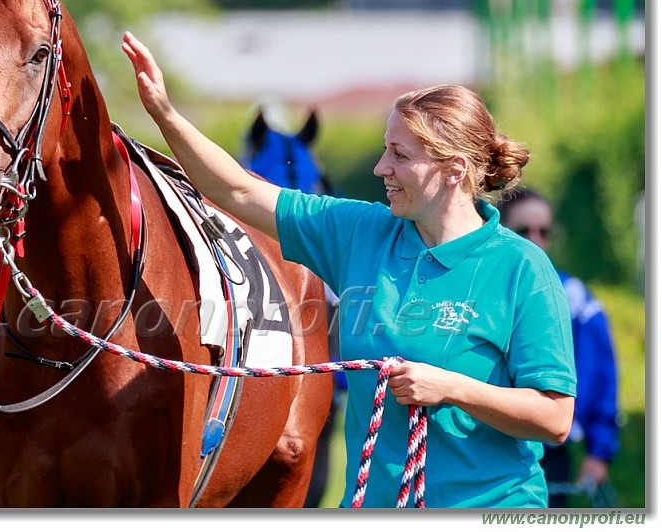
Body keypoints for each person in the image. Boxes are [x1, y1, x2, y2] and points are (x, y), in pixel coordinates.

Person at [120, 31, 576, 508]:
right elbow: (238, 191)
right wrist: (164, 113)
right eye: (384, 149)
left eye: (400, 155)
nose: (381, 167)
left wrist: (451, 388)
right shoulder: (360, 232)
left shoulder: (522, 267)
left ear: (454, 169)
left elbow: (554, 417)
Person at [498, 187, 620, 507]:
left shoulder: (574, 296)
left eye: (545, 231)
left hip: (548, 455)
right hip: (483, 450)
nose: (536, 240)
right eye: (524, 231)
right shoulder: (481, 294)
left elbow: (599, 374)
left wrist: (599, 450)